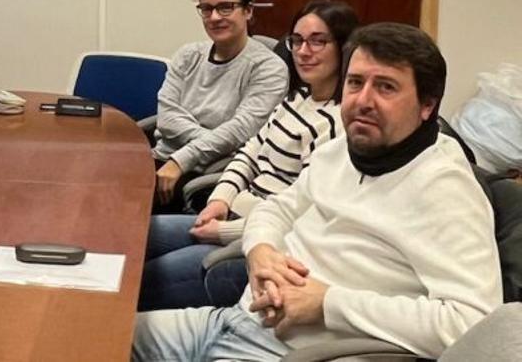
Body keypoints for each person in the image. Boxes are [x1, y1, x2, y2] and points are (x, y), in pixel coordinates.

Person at [133, 23, 502, 361]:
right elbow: (275, 209)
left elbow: (471, 324)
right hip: (230, 321)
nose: (363, 100)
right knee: (91, 335)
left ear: (427, 105)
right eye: (356, 83)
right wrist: (260, 250)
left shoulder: (447, 190)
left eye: (386, 87)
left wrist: (329, 303)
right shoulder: (341, 150)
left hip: (288, 353)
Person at [139, 0, 358, 311]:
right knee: (130, 238)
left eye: (318, 41)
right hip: (230, 215)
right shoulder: (298, 99)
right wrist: (219, 200)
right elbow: (250, 152)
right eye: (296, 41)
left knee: (139, 280)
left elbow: (305, 214)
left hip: (257, 241)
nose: (303, 51)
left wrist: (224, 231)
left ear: (344, 47)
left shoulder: (336, 124)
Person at [152, 0, 289, 208]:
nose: (214, 17)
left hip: (209, 172)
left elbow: (240, 130)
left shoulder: (269, 68)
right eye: (206, 9)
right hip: (163, 157)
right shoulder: (188, 55)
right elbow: (167, 118)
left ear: (248, 11)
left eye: (226, 8)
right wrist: (210, 140)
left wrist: (183, 159)